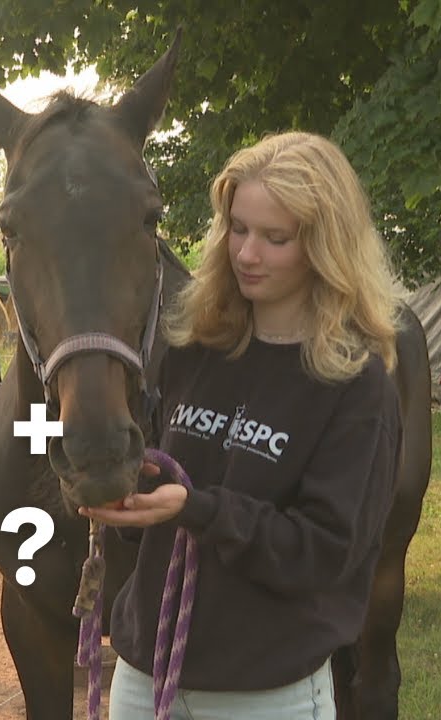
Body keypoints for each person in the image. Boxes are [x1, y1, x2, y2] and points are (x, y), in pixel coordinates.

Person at [79, 131, 404, 718]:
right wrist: (124, 495)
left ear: (325, 246)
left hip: (264, 694)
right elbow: (164, 487)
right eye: (238, 229)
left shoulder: (356, 388)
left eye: (275, 238)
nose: (247, 254)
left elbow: (325, 554)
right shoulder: (194, 351)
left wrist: (197, 509)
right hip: (143, 677)